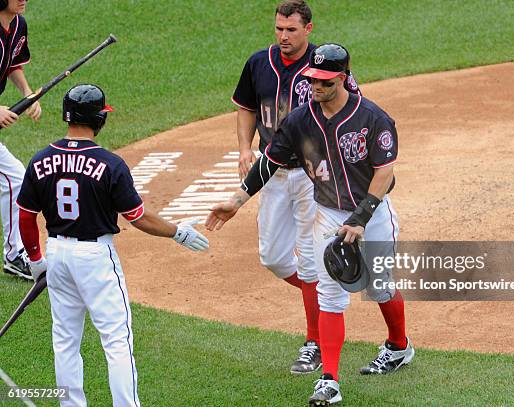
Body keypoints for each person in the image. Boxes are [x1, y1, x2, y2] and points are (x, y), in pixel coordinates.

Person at [208, 44, 414, 406]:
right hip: (329, 214)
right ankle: (329, 381)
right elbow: (268, 161)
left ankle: (399, 346)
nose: (314, 87)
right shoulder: (301, 120)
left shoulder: (373, 118)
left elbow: (384, 173)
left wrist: (361, 219)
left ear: (343, 77)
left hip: (372, 213)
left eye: (323, 81)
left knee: (380, 287)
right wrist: (237, 201)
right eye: (312, 80)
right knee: (330, 295)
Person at [16, 84, 209, 407]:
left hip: (58, 254)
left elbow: (25, 216)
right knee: (116, 341)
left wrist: (36, 259)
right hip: (95, 258)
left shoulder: (40, 160)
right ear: (99, 119)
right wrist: (178, 232)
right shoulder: (109, 164)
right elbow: (138, 217)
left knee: (64, 341)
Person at [232, 0, 360, 375]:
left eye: (291, 29)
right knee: (272, 256)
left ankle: (315, 341)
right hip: (272, 170)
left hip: (312, 175)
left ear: (309, 28)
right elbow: (245, 107)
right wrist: (243, 148)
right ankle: (323, 293)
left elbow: (353, 106)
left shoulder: (326, 67)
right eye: (278, 29)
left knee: (308, 258)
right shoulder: (259, 63)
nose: (283, 36)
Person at [0, 0, 42, 280]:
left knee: (15, 178)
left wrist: (27, 94)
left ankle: (15, 254)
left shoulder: (18, 25)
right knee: (15, 179)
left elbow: (13, 63)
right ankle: (15, 255)